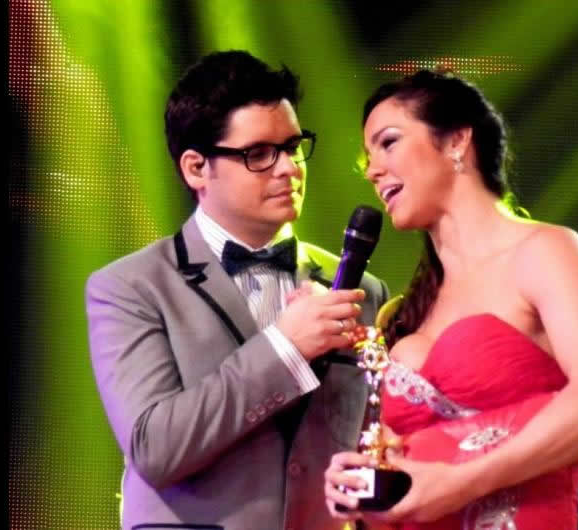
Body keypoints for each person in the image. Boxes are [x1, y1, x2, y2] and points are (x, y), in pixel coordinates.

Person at [85, 50, 390, 530]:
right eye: (259, 154)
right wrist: (286, 346)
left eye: (293, 147)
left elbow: (373, 445)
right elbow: (155, 448)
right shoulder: (129, 287)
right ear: (196, 168)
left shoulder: (360, 289)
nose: (289, 168)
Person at [323, 70, 578, 530]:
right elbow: (414, 481)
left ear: (456, 141)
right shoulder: (406, 312)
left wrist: (459, 483)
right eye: (367, 158)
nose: (372, 170)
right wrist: (365, 484)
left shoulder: (545, 252)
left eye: (388, 143)